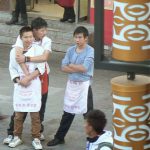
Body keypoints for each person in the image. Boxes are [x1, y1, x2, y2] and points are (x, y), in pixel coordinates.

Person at [3, 17, 52, 144]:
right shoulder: (22, 37)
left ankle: (38, 132)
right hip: (24, 76)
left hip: (41, 75)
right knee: (19, 108)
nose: (44, 33)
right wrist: (23, 78)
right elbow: (17, 57)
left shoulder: (46, 41)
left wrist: (27, 60)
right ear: (34, 31)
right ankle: (12, 133)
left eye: (45, 30)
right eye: (41, 30)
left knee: (40, 104)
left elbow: (44, 57)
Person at [47, 26, 94, 146]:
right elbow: (63, 67)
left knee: (89, 115)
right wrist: (76, 68)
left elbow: (85, 68)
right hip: (72, 85)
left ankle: (94, 137)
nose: (77, 40)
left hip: (84, 86)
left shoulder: (90, 51)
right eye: (75, 37)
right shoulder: (70, 50)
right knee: (67, 112)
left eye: (80, 37)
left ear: (85, 38)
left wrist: (71, 65)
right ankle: (59, 137)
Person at [8, 26, 45, 149]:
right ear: (21, 37)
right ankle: (17, 136)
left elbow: (41, 68)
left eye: (30, 36)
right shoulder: (14, 51)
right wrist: (19, 80)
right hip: (20, 86)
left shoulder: (38, 50)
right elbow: (12, 68)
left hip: (33, 85)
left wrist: (28, 78)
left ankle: (36, 138)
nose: (29, 39)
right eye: (26, 37)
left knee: (35, 115)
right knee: (18, 115)